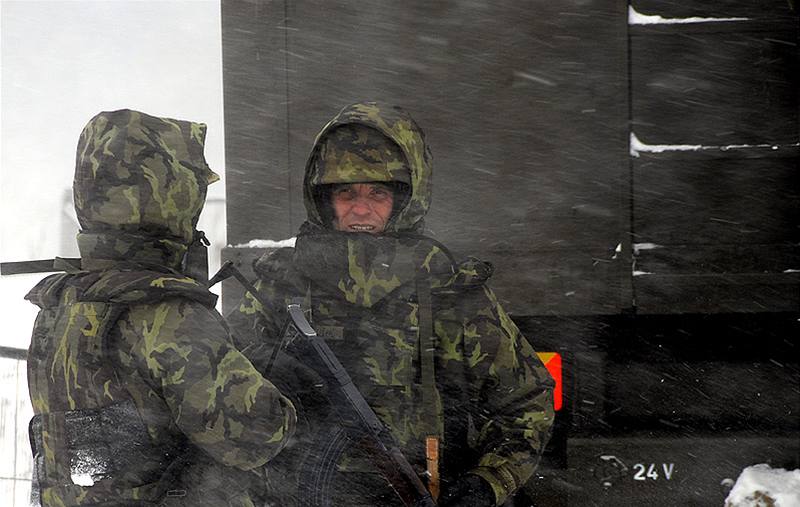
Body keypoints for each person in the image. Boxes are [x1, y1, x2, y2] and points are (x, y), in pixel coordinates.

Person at [228, 102, 555, 506]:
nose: (360, 208)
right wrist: (266, 368)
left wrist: (488, 483)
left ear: (404, 200)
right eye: (346, 192)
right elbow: (215, 391)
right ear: (324, 200)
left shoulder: (451, 294)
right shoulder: (283, 288)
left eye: (377, 193)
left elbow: (526, 401)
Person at [25, 109, 296, 507]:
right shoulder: (169, 315)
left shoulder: (58, 305)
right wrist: (289, 392)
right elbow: (254, 438)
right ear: (175, 194)